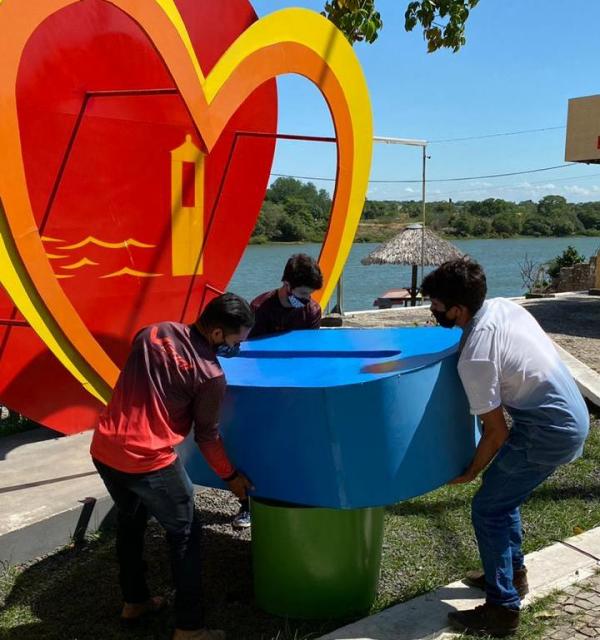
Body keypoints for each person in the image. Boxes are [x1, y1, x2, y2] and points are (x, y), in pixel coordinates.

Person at [420, 258, 589, 638]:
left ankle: (502, 610)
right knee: (502, 497)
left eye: (436, 304)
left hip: (549, 430)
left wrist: (471, 470)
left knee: (488, 508)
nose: (432, 310)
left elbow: (495, 432)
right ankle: (513, 575)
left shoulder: (476, 357)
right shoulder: (502, 307)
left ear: (458, 310)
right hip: (568, 411)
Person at [90, 293, 255, 640]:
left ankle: (134, 601)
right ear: (215, 334)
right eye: (234, 343)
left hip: (105, 448)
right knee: (185, 535)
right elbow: (207, 437)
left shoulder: (153, 332)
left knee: (131, 521)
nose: (234, 350)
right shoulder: (210, 375)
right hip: (149, 458)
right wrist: (230, 476)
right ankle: (190, 629)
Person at [231, 253, 323, 529]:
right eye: (302, 293)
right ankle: (246, 506)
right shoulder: (260, 308)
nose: (306, 299)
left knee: (292, 445)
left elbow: (310, 352)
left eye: (310, 294)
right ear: (286, 284)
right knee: (255, 447)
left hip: (294, 389)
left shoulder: (312, 311)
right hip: (259, 389)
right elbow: (244, 352)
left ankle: (292, 498)